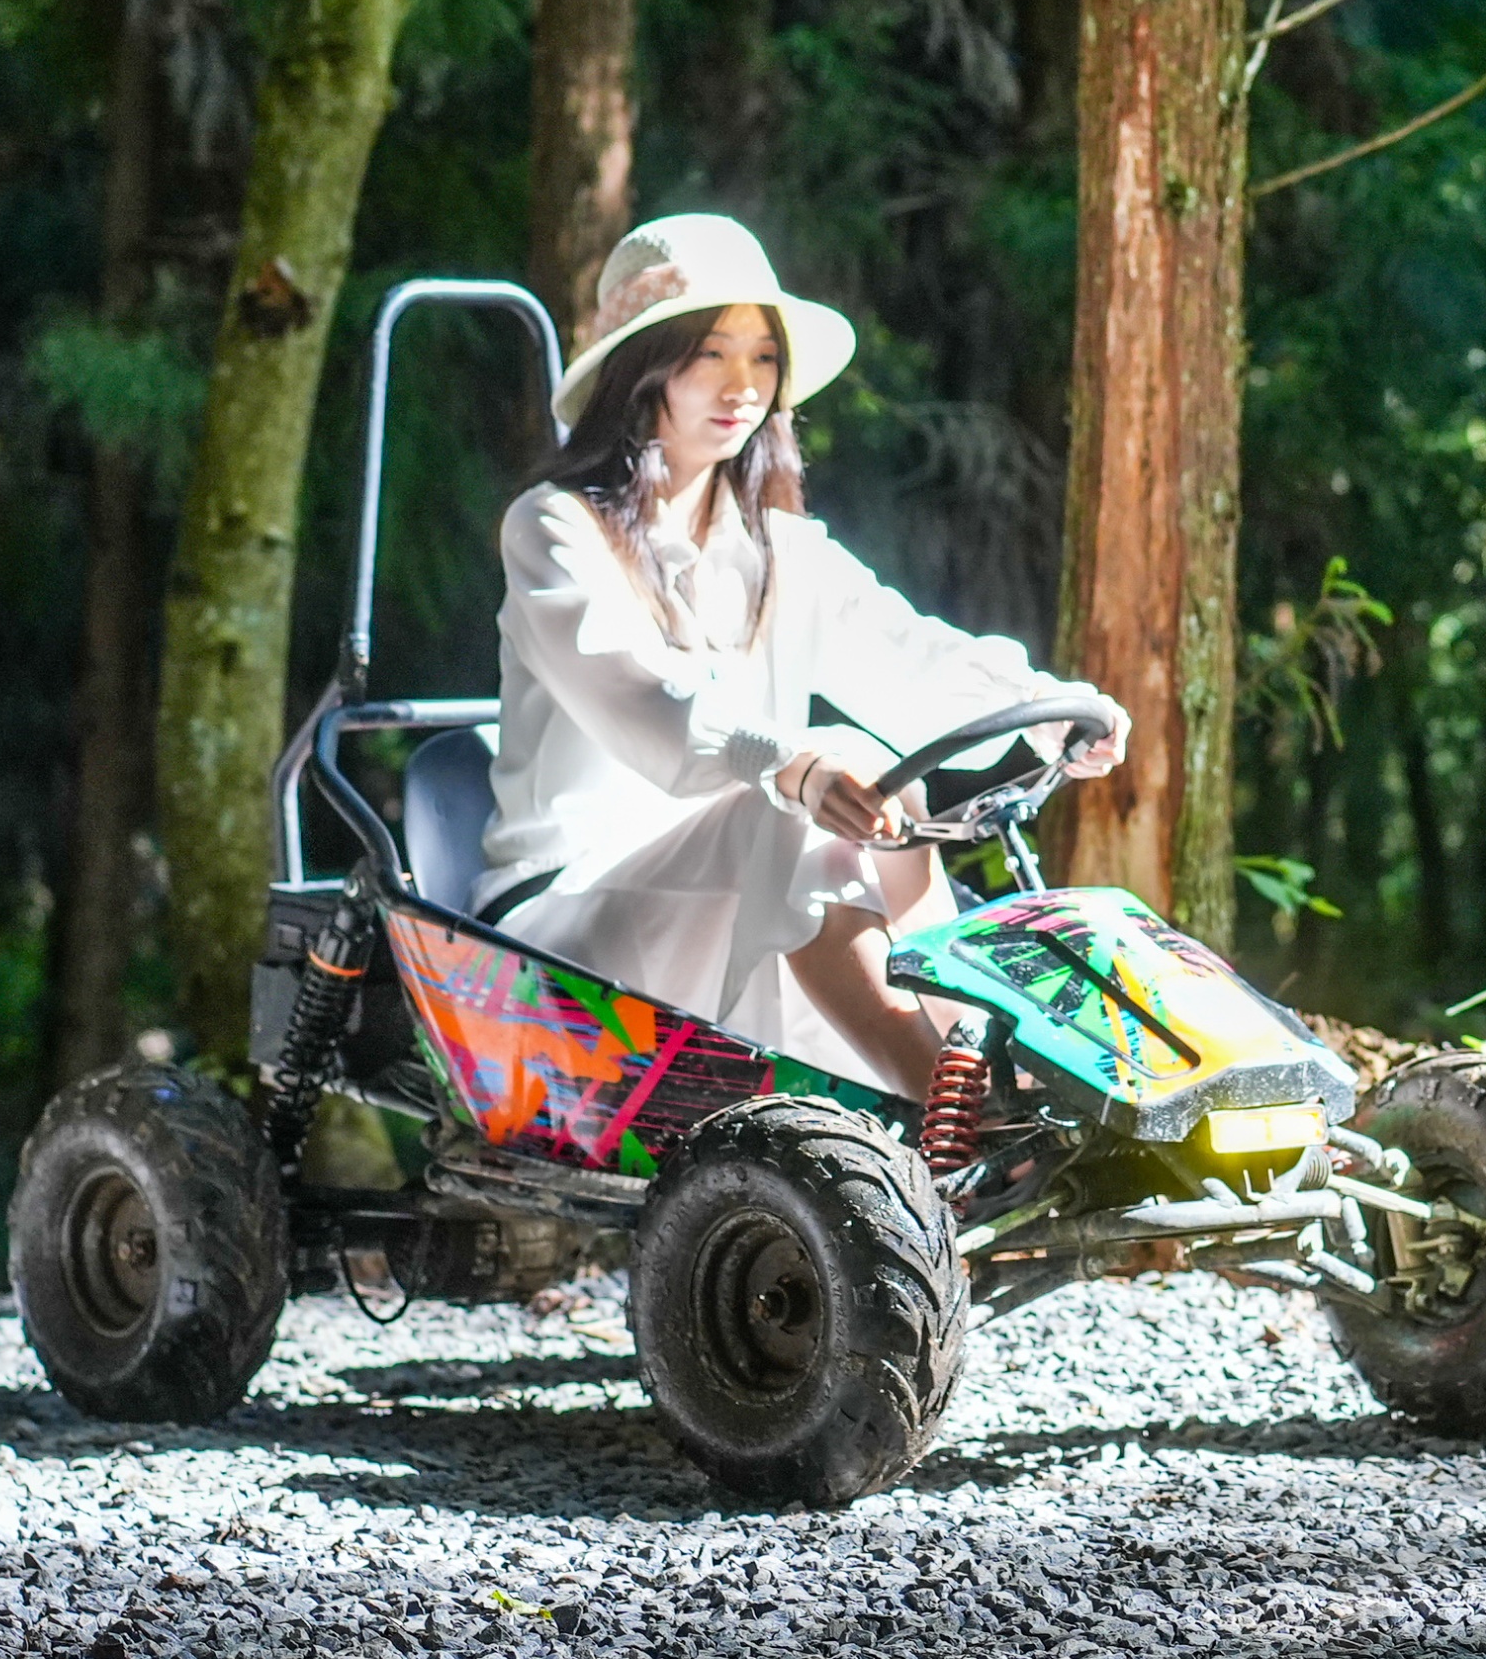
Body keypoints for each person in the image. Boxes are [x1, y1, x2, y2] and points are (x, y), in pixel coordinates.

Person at [480, 214, 1125, 1100]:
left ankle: (986, 1091)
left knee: (875, 781)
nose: (743, 385)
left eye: (763, 357)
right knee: (810, 788)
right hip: (560, 933)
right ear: (642, 368)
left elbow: (905, 653)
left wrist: (1044, 703)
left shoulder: (779, 548)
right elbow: (640, 697)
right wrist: (793, 764)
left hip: (741, 892)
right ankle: (947, 1107)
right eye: (709, 352)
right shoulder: (554, 527)